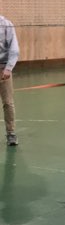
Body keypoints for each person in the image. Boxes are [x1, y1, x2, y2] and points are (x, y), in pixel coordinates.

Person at [1, 15, 19, 146]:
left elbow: (14, 48)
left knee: (8, 102)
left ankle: (11, 133)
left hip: (3, 68)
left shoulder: (6, 24)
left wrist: (8, 68)